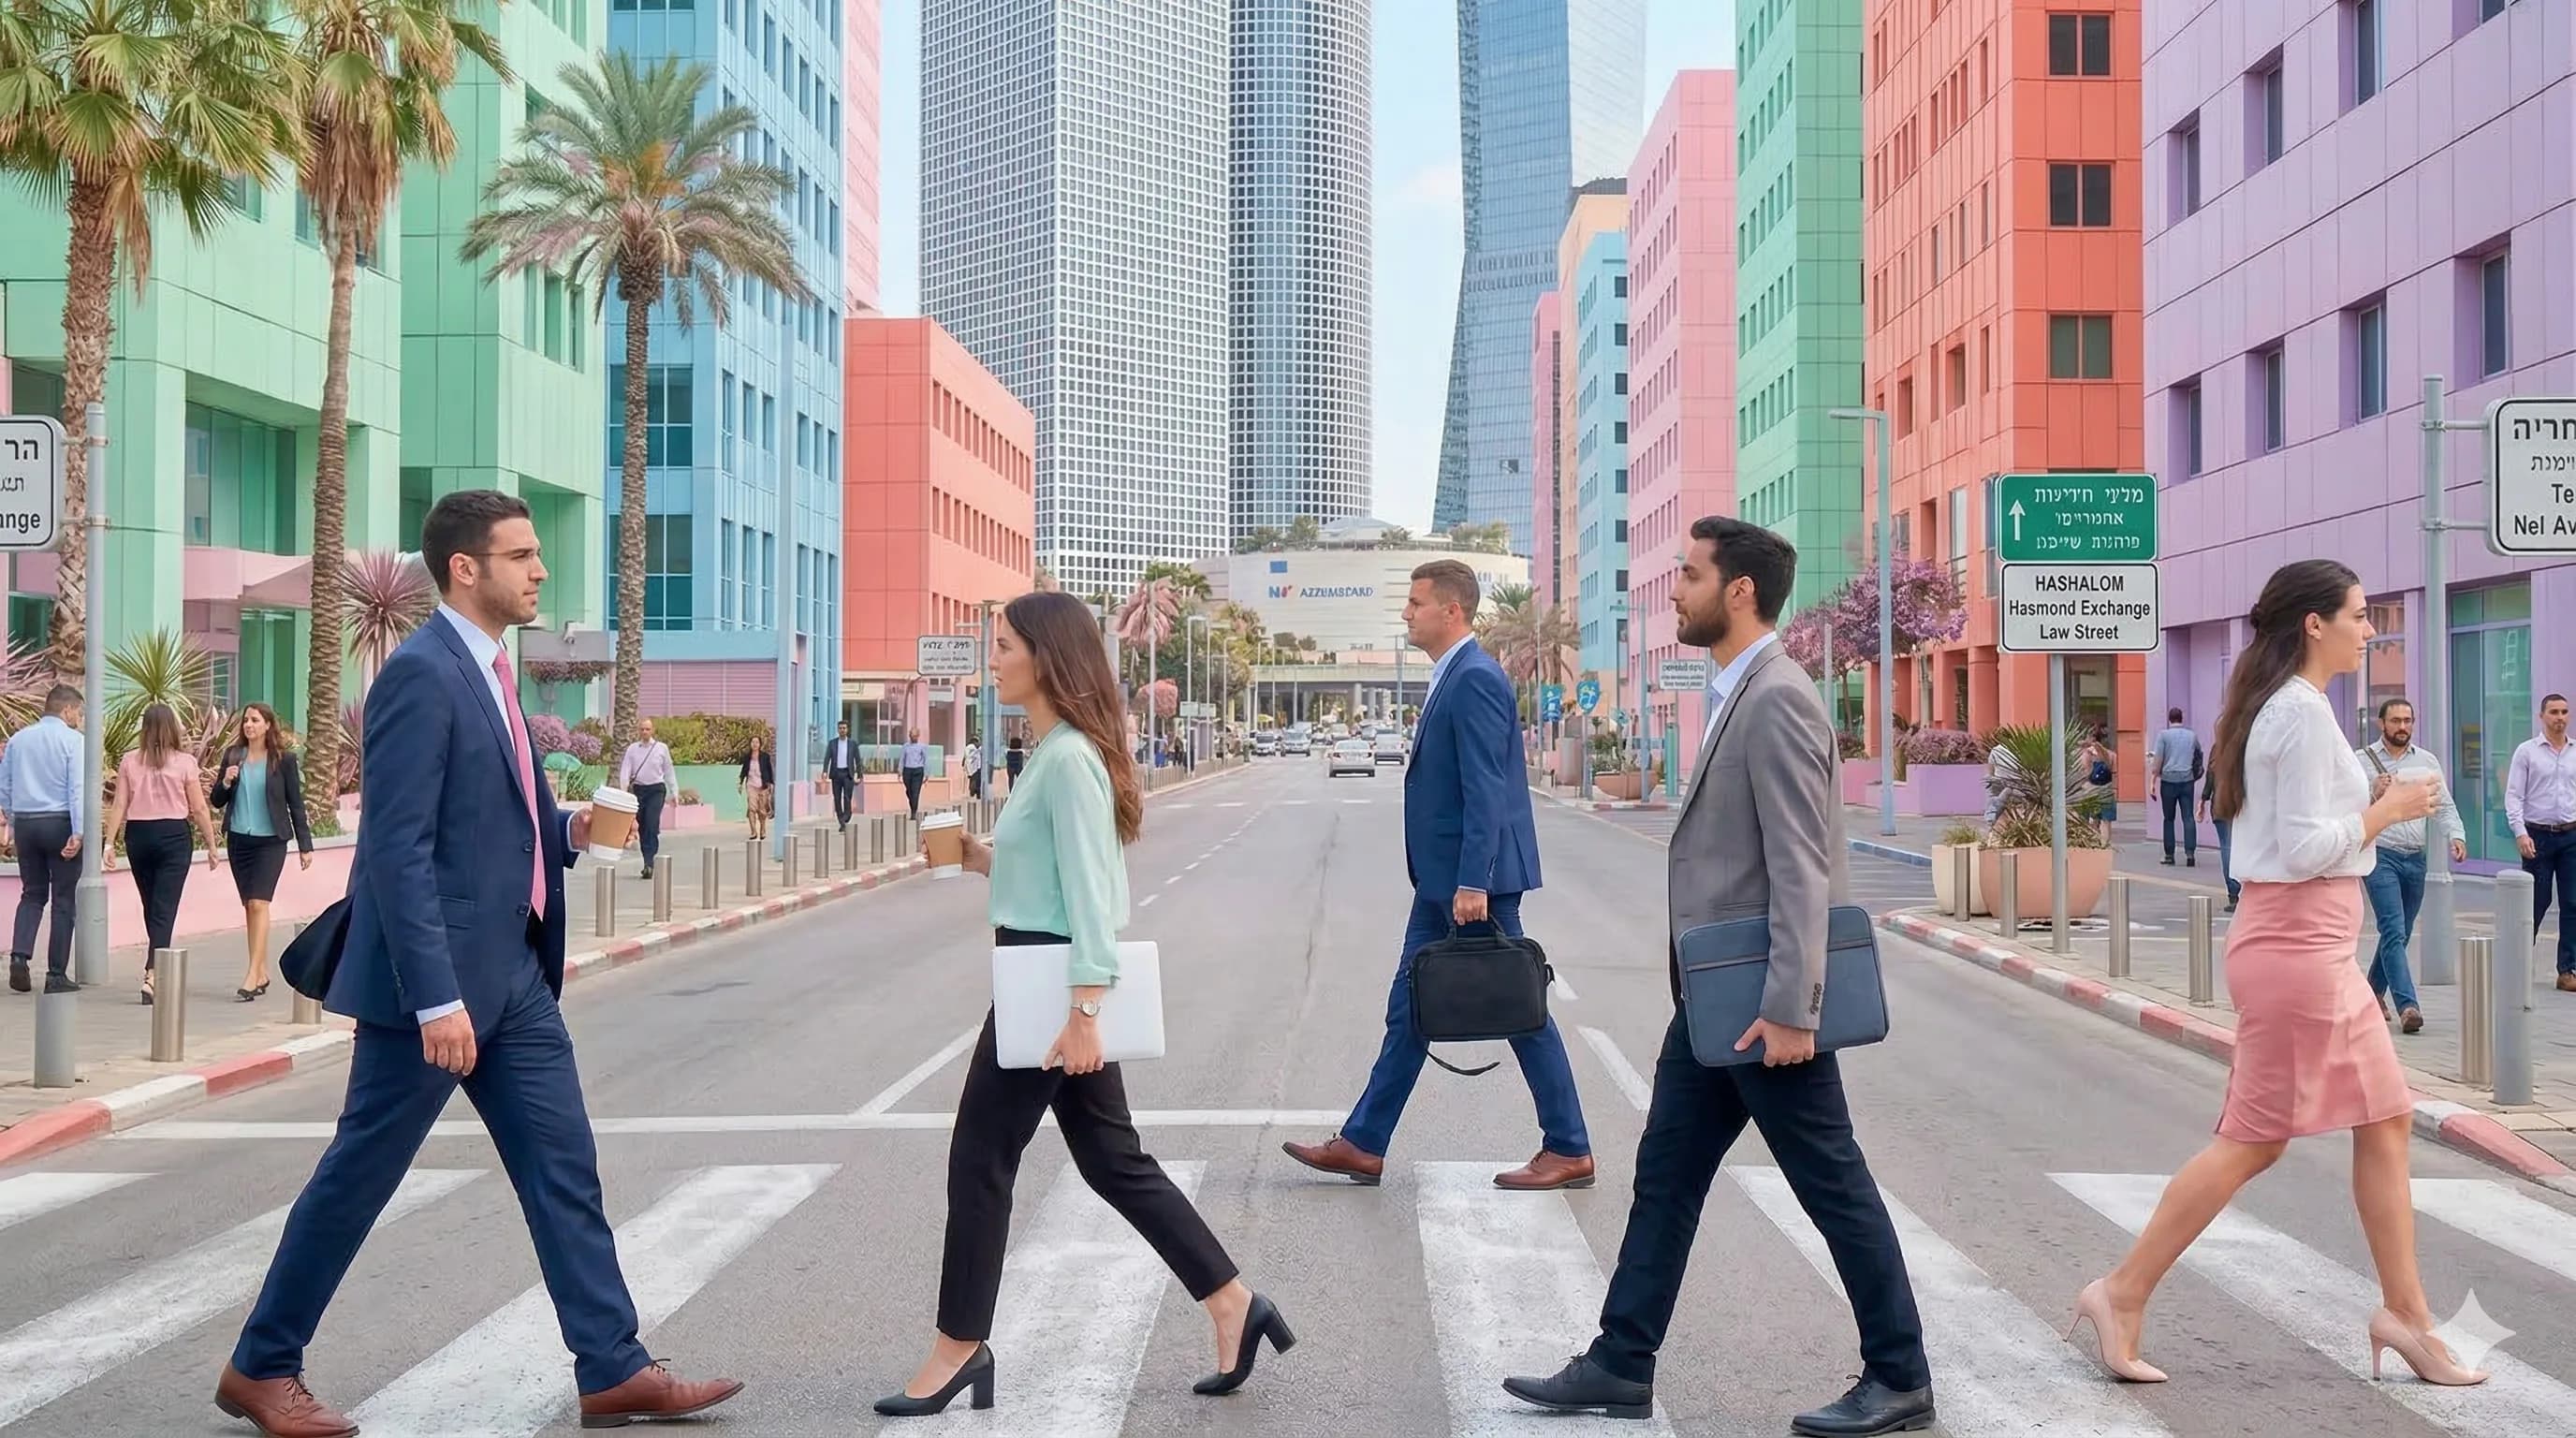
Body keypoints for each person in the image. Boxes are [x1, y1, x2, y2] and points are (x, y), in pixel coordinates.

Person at [218, 490, 739, 1437]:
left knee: (563, 1168)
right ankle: (261, 1366)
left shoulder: (496, 671)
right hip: (441, 990)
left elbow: (498, 818)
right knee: (360, 1175)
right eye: (522, 555)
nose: (541, 570)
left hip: (514, 977)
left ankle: (613, 1366)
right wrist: (434, 1001)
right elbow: (397, 847)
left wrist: (571, 827)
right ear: (467, 568)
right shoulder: (421, 675)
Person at [1504, 519, 1934, 1436]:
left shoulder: (1775, 697)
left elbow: (1802, 864)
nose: (1676, 590)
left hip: (1757, 1007)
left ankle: (1898, 1374)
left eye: (1689, 575)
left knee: (1832, 1185)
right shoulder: (1740, 691)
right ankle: (1621, 1361)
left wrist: (1791, 1008)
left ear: (1739, 591)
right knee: (1665, 1178)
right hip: (1712, 1001)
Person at [2062, 560, 2480, 1390]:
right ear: (2315, 624)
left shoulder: (2292, 709)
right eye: (2361, 616)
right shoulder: (2297, 714)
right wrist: (2389, 809)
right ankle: (2121, 1290)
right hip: (2297, 951)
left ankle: (2406, 1314)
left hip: (2309, 948)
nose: (2372, 628)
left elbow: (2304, 834)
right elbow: (2300, 851)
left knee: (2385, 1118)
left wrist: (2377, 803)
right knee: (2254, 1142)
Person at [875, 591, 1292, 1416]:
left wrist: (1086, 1011)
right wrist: (978, 857)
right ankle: (1233, 1303)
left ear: (1045, 656)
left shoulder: (1067, 758)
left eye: (1002, 647)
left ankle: (960, 1346)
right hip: (1043, 968)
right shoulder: (1057, 751)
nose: (992, 660)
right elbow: (1051, 880)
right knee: (1112, 1161)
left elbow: (1095, 896)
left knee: (980, 1158)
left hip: (1050, 977)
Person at [1283, 560, 1592, 1192]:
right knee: (1413, 1010)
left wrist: (1474, 882)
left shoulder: (1474, 678)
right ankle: (1363, 1142)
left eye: (1415, 602)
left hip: (1469, 885)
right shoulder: (1454, 675)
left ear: (1451, 611)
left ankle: (1569, 1146)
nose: (1406, 613)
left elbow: (1486, 791)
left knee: (1518, 1006)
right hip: (1446, 884)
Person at [103, 702, 224, 1005]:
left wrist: (109, 842)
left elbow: (119, 805)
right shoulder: (184, 762)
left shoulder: (130, 761)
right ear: (171, 728)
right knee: (164, 907)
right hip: (173, 836)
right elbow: (197, 808)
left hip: (139, 836)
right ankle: (153, 973)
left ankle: (154, 968)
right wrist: (211, 844)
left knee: (152, 904)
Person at [2359, 698, 2466, 1034]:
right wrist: (2372, 791)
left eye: (2407, 720)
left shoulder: (2426, 761)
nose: (2402, 726)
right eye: (2395, 721)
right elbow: (2344, 806)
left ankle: (2372, 991)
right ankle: (2409, 1006)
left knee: (2399, 934)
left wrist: (2456, 835)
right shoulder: (2361, 761)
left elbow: (2443, 803)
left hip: (2415, 857)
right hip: (2381, 855)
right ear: (2381, 724)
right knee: (2393, 929)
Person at [210, 703, 315, 1002]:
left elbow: (295, 804)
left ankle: (252, 974)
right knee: (250, 906)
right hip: (239, 841)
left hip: (271, 843)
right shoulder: (233, 756)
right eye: (246, 720)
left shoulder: (283, 761)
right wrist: (227, 781)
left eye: (255, 720)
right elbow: (217, 800)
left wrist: (305, 845)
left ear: (268, 725)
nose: (249, 725)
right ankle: (262, 971)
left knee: (259, 902)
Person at [0, 685, 89, 995]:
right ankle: (55, 974)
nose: (80, 719)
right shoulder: (74, 742)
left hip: (26, 823)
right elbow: (77, 788)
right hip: (60, 822)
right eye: (79, 712)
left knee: (32, 893)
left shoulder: (18, 739)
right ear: (66, 710)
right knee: (64, 899)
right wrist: (78, 832)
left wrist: (13, 822)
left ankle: (19, 957)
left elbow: (5, 786)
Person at [2507, 693, 2576, 992]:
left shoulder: (2575, 751)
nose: (2559, 718)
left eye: (2564, 712)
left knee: (2573, 903)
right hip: (2537, 837)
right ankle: (2517, 966)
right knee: (2536, 902)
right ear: (2542, 716)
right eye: (2553, 712)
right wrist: (2521, 833)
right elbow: (2513, 796)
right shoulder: (2527, 752)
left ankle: (2567, 970)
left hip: (2571, 835)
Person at [613, 716, 674, 879]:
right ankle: (647, 860)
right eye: (642, 729)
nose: (645, 732)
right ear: (638, 731)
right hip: (639, 790)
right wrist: (624, 789)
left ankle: (650, 862)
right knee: (642, 826)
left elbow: (668, 770)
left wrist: (675, 792)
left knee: (651, 824)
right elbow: (626, 769)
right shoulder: (633, 749)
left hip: (656, 790)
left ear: (652, 730)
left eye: (648, 729)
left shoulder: (661, 748)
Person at [2150, 707, 2203, 866]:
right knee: (2188, 817)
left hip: (2168, 780)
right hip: (2187, 780)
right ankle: (2190, 854)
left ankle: (2169, 855)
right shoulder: (2191, 736)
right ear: (2182, 718)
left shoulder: (2163, 736)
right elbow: (2198, 753)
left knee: (2169, 818)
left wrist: (2153, 780)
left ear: (2169, 719)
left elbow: (2158, 758)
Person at [2198, 770, 2242, 912]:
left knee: (2227, 846)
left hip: (2220, 805)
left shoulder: (2218, 750)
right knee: (2240, 846)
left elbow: (2211, 776)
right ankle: (2246, 892)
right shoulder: (2247, 748)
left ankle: (2234, 894)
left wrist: (2203, 799)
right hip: (2241, 804)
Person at [740, 734, 776, 842]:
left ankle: (763, 829)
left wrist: (771, 783)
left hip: (762, 786)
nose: (754, 744)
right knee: (752, 808)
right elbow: (744, 771)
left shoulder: (765, 756)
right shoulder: (747, 757)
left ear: (760, 744)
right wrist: (740, 782)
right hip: (751, 785)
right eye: (753, 742)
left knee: (762, 811)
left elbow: (769, 770)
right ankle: (753, 831)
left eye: (757, 742)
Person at [827, 721, 860, 829]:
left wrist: (859, 775)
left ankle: (847, 816)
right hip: (836, 774)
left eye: (844, 728)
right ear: (838, 730)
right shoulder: (832, 743)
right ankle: (841, 819)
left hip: (847, 773)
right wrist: (824, 771)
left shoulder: (852, 744)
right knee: (837, 798)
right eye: (840, 728)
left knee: (847, 797)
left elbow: (858, 760)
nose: (842, 730)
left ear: (847, 729)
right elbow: (827, 758)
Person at [2084, 737, 2117, 825]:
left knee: (2094, 818)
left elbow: (2086, 773)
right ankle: (2106, 839)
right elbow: (2114, 773)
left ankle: (2095, 837)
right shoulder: (2112, 755)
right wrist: (2115, 789)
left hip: (2092, 788)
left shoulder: (2089, 756)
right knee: (2106, 821)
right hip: (2107, 788)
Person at [900, 727, 930, 818]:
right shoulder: (906, 746)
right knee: (909, 791)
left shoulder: (922, 747)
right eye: (912, 736)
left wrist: (927, 773)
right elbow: (902, 758)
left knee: (916, 792)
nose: (913, 738)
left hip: (918, 770)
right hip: (907, 770)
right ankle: (913, 804)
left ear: (918, 736)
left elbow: (926, 760)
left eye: (915, 736)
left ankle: (914, 812)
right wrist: (899, 770)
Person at [963, 732, 985, 800]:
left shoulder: (976, 748)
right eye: (977, 742)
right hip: (973, 767)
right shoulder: (971, 747)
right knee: (975, 780)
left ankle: (975, 792)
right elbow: (967, 756)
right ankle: (974, 792)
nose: (978, 743)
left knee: (974, 779)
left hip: (975, 767)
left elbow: (965, 757)